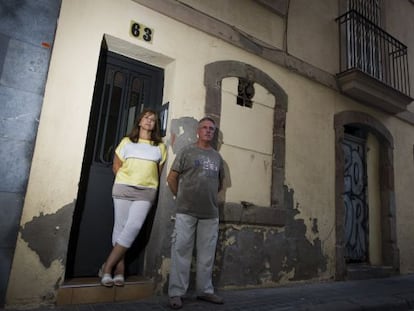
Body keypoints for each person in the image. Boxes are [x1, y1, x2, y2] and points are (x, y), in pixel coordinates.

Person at [99, 108, 167, 287]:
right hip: (123, 187)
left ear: (155, 125)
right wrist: (126, 180)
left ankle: (107, 267)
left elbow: (157, 172)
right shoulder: (127, 142)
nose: (149, 121)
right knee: (120, 227)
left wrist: (146, 182)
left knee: (134, 226)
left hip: (146, 190)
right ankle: (119, 271)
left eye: (152, 119)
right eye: (146, 118)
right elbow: (116, 166)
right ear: (139, 121)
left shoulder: (160, 147)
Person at [167, 117, 225, 309]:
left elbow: (219, 184)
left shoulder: (217, 157)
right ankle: (176, 293)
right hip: (186, 211)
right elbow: (172, 177)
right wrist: (180, 197)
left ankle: (205, 291)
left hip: (210, 213)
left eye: (211, 129)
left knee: (207, 255)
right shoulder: (187, 151)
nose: (208, 131)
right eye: (205, 128)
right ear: (198, 131)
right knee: (181, 251)